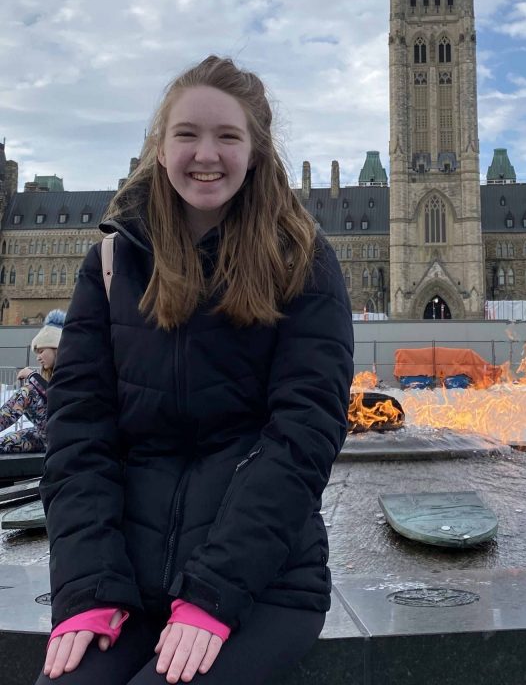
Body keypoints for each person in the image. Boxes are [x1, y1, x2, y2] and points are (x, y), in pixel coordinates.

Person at [38, 56, 354, 685]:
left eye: (227, 136)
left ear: (257, 152)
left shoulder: (303, 263)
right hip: (124, 581)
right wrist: (89, 588)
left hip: (258, 584)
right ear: (159, 148)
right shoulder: (109, 262)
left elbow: (302, 438)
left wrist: (213, 594)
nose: (205, 154)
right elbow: (77, 435)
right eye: (186, 134)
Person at [0, 309, 65, 453]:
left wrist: (31, 375)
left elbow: (57, 398)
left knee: (28, 391)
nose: (38, 357)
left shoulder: (72, 370)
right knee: (7, 442)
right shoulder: (52, 373)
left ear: (56, 347)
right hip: (47, 436)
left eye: (41, 351)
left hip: (62, 435)